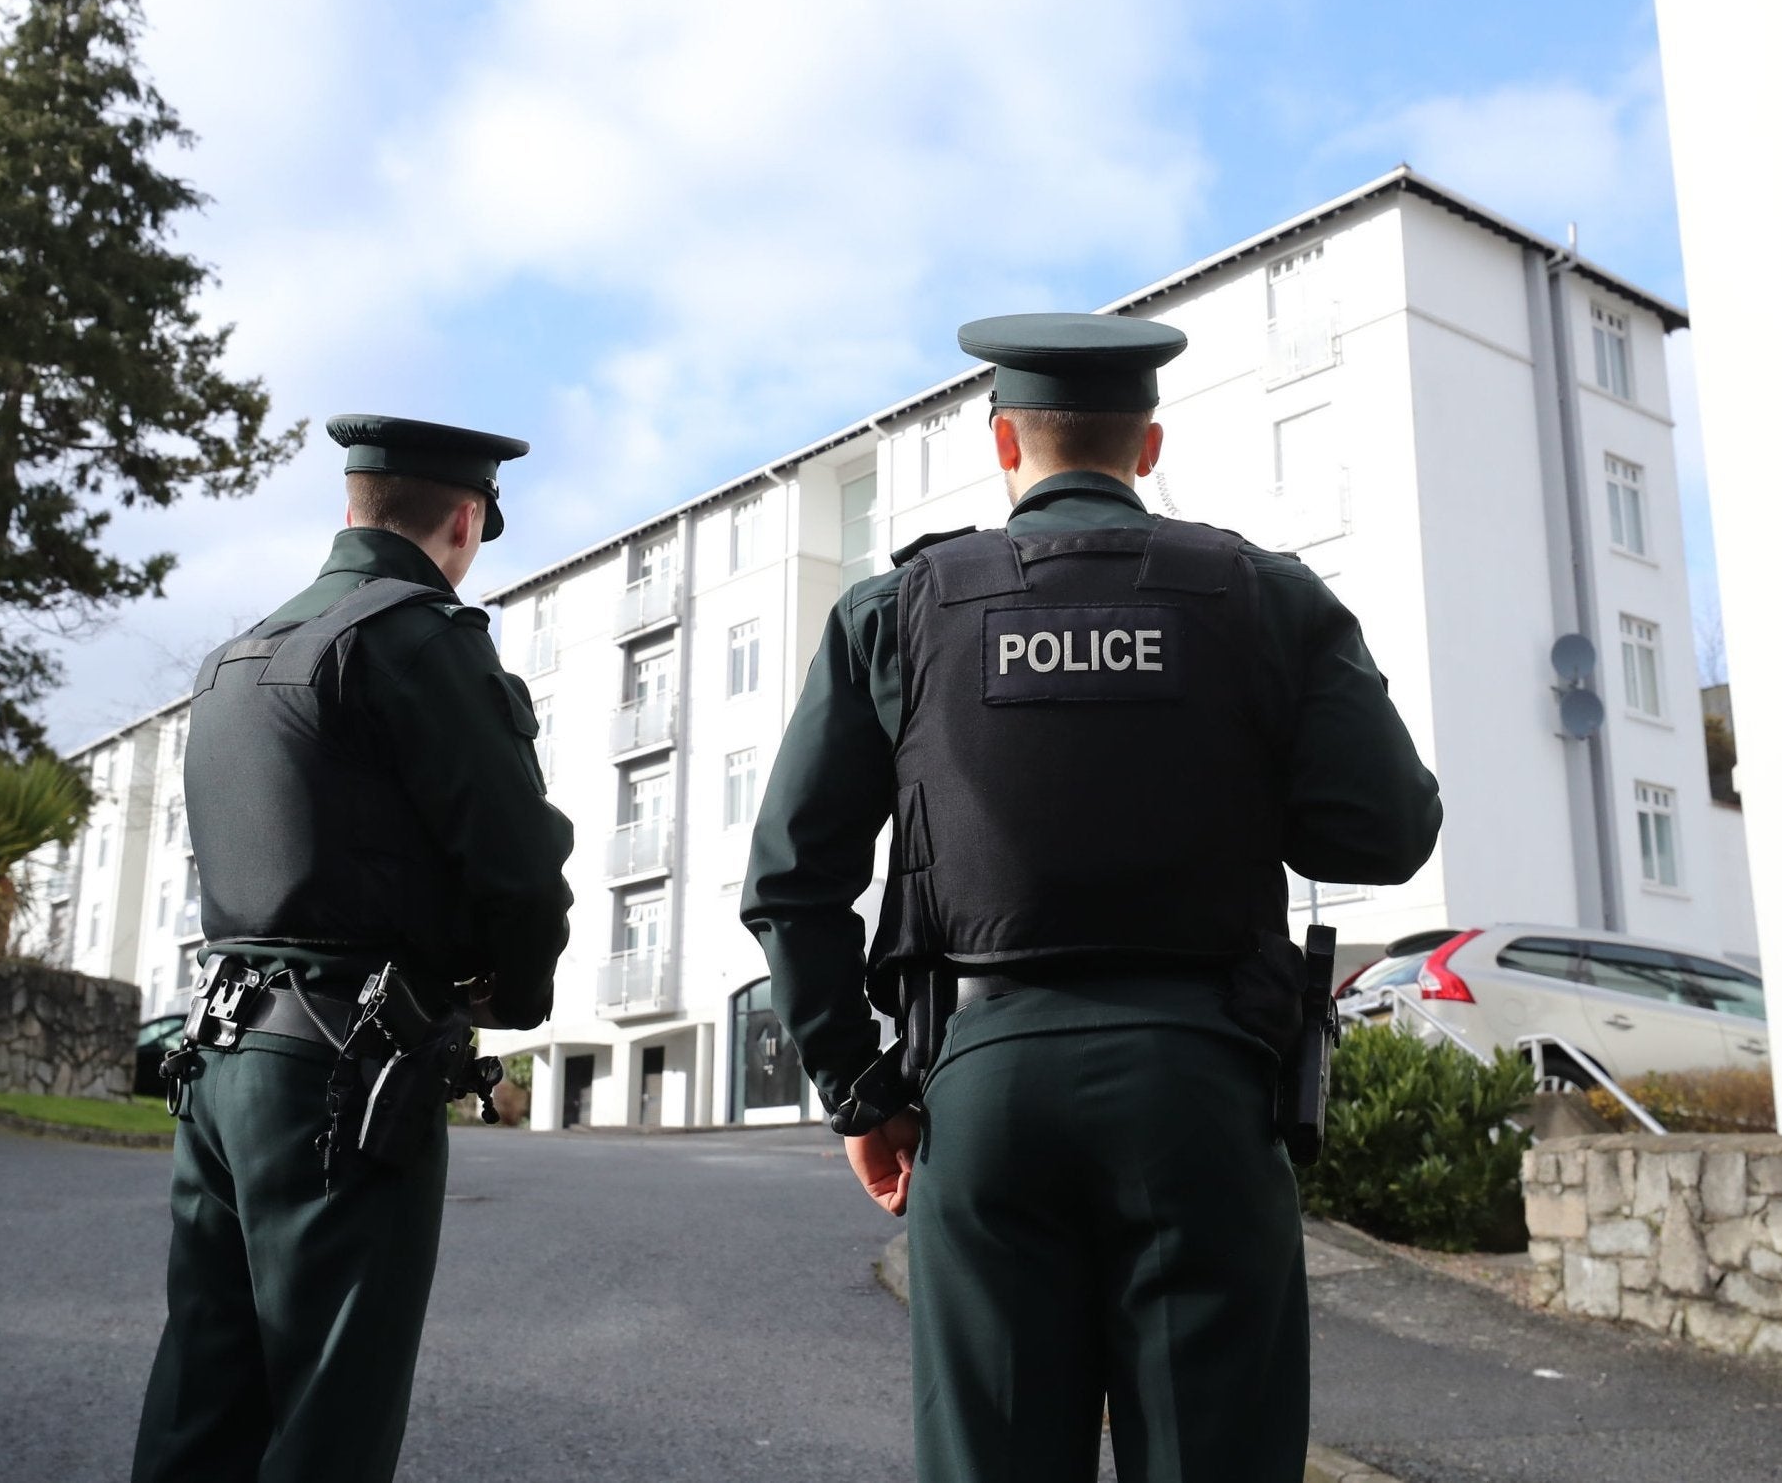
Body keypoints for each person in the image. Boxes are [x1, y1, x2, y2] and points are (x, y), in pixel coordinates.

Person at [741, 314, 1442, 1483]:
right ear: (1148, 446)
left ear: (1004, 443)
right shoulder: (1263, 596)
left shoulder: (896, 612)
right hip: (1205, 1087)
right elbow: (1388, 830)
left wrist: (858, 1086)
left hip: (986, 1090)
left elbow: (791, 878)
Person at [131, 414, 574, 1483]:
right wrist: (508, 996)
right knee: (334, 1409)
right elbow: (515, 861)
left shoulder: (235, 655)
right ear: (465, 521)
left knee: (204, 1390)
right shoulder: (418, 636)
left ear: (351, 505)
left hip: (218, 1055)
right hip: (347, 1069)